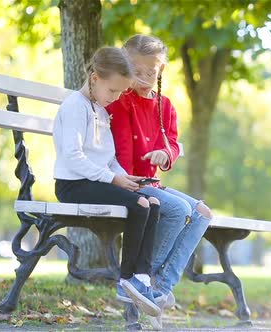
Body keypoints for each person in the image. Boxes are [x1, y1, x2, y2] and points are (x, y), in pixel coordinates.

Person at [107, 35, 213, 327]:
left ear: (161, 70)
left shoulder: (165, 106)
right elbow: (123, 154)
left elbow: (175, 144)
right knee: (179, 209)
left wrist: (164, 154)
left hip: (151, 182)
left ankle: (159, 288)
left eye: (149, 72)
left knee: (203, 212)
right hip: (132, 182)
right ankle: (136, 283)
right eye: (135, 71)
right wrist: (135, 180)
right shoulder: (121, 103)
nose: (142, 78)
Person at [52, 46, 161, 318]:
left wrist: (123, 175)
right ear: (95, 78)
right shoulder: (75, 106)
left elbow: (109, 159)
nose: (115, 98)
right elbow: (73, 157)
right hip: (73, 185)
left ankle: (142, 278)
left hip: (96, 182)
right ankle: (126, 281)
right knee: (140, 204)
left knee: (153, 202)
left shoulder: (100, 110)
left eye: (121, 92)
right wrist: (113, 179)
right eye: (113, 91)